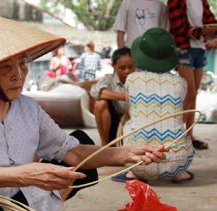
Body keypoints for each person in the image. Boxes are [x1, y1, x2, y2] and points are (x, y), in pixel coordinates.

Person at [0, 12, 167, 211]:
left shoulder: (28, 108)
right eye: (5, 68)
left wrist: (125, 152)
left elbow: (72, 151)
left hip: (23, 193)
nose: (18, 76)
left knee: (80, 141)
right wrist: (23, 175)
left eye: (22, 64)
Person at [123, 28, 195, 183]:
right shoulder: (180, 83)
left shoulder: (132, 79)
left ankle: (133, 173)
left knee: (129, 126)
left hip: (139, 161)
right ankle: (179, 174)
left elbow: (130, 110)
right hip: (178, 163)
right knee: (176, 130)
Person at [168, 0, 217, 150]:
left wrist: (211, 32)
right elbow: (179, 28)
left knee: (194, 93)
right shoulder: (175, 1)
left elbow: (210, 22)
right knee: (188, 92)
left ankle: (189, 136)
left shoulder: (202, 1)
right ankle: (175, 135)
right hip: (183, 48)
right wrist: (204, 31)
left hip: (200, 48)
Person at [90, 47, 135, 147]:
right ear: (113, 66)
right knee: (100, 103)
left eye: (130, 67)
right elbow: (95, 92)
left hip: (134, 126)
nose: (127, 71)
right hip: (113, 125)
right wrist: (123, 96)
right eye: (122, 68)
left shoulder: (139, 80)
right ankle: (105, 145)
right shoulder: (109, 79)